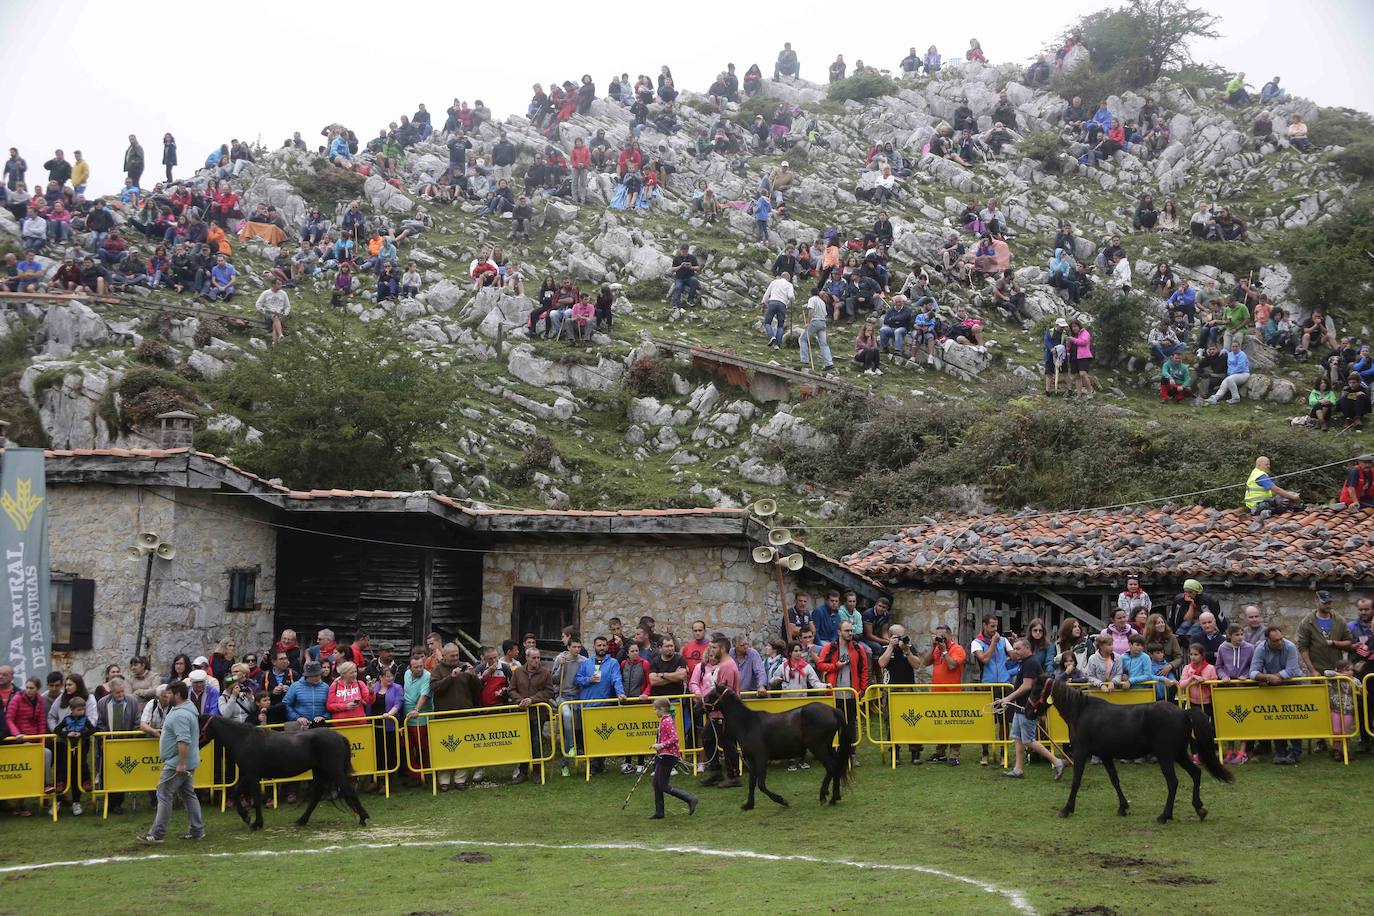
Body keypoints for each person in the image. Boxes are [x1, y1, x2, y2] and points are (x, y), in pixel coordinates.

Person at [137, 681, 204, 842]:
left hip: (177, 764)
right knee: (188, 794)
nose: (166, 697)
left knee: (164, 793)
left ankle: (156, 833)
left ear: (177, 695)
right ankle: (197, 830)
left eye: (169, 694)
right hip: (186, 761)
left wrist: (180, 763)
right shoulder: (186, 709)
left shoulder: (180, 714)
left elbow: (183, 740)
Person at [995, 639, 1065, 780]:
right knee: (1018, 737)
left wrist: (1008, 699)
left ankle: (1057, 762)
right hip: (1021, 707)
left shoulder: (1031, 663)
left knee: (1028, 740)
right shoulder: (1025, 663)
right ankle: (1018, 769)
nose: (1015, 651)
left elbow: (1027, 686)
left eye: (1018, 648)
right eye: (1014, 648)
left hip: (1028, 707)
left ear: (1027, 648)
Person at [816, 620, 869, 769]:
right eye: (847, 630)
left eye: (851, 630)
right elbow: (820, 664)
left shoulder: (858, 648)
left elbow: (865, 669)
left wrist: (863, 689)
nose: (850, 633)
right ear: (839, 632)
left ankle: (852, 755)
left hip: (851, 694)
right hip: (833, 694)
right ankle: (832, 754)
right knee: (831, 725)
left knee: (850, 724)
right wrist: (835, 666)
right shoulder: (830, 647)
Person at [1249, 626, 1304, 764]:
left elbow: (1291, 670)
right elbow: (1253, 672)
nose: (1280, 642)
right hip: (1274, 688)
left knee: (1294, 719)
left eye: (1281, 639)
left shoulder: (1290, 646)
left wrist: (1270, 678)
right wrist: (1268, 678)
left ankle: (1295, 752)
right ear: (1267, 640)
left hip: (1292, 687)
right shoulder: (1261, 649)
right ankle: (1280, 752)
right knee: (1277, 719)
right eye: (1275, 640)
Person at [922, 624, 967, 765]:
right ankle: (940, 753)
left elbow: (952, 665)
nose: (940, 639)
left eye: (943, 636)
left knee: (953, 724)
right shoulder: (937, 648)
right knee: (939, 724)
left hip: (952, 694)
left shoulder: (957, 649)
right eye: (938, 636)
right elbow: (926, 662)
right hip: (937, 694)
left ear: (950, 636)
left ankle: (954, 754)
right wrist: (933, 647)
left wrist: (944, 651)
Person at [648, 696, 697, 819]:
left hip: (668, 756)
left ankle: (690, 798)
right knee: (656, 783)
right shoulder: (664, 720)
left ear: (663, 709)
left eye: (655, 709)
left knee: (663, 785)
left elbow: (675, 738)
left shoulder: (667, 721)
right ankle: (659, 812)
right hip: (663, 755)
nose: (654, 712)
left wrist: (661, 745)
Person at [1296, 590, 1351, 677]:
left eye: (1329, 603)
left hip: (1337, 671)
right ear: (1316, 601)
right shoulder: (1307, 622)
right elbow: (1303, 648)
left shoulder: (1340, 621)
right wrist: (1312, 671)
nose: (1328, 605)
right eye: (1325, 603)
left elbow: (1348, 642)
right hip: (1318, 671)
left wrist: (1334, 643)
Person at [798, 290, 835, 373]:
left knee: (802, 339)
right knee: (823, 344)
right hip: (823, 322)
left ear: (811, 293)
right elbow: (825, 314)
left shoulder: (812, 299)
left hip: (815, 322)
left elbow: (811, 311)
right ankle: (829, 363)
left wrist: (808, 323)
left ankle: (804, 360)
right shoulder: (822, 302)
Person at [760, 271, 793, 350]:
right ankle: (777, 345)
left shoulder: (774, 282)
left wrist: (763, 304)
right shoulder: (789, 285)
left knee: (767, 322)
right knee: (780, 326)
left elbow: (767, 294)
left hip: (772, 302)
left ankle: (771, 336)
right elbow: (791, 296)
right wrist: (789, 303)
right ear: (788, 278)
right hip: (782, 305)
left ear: (781, 276)